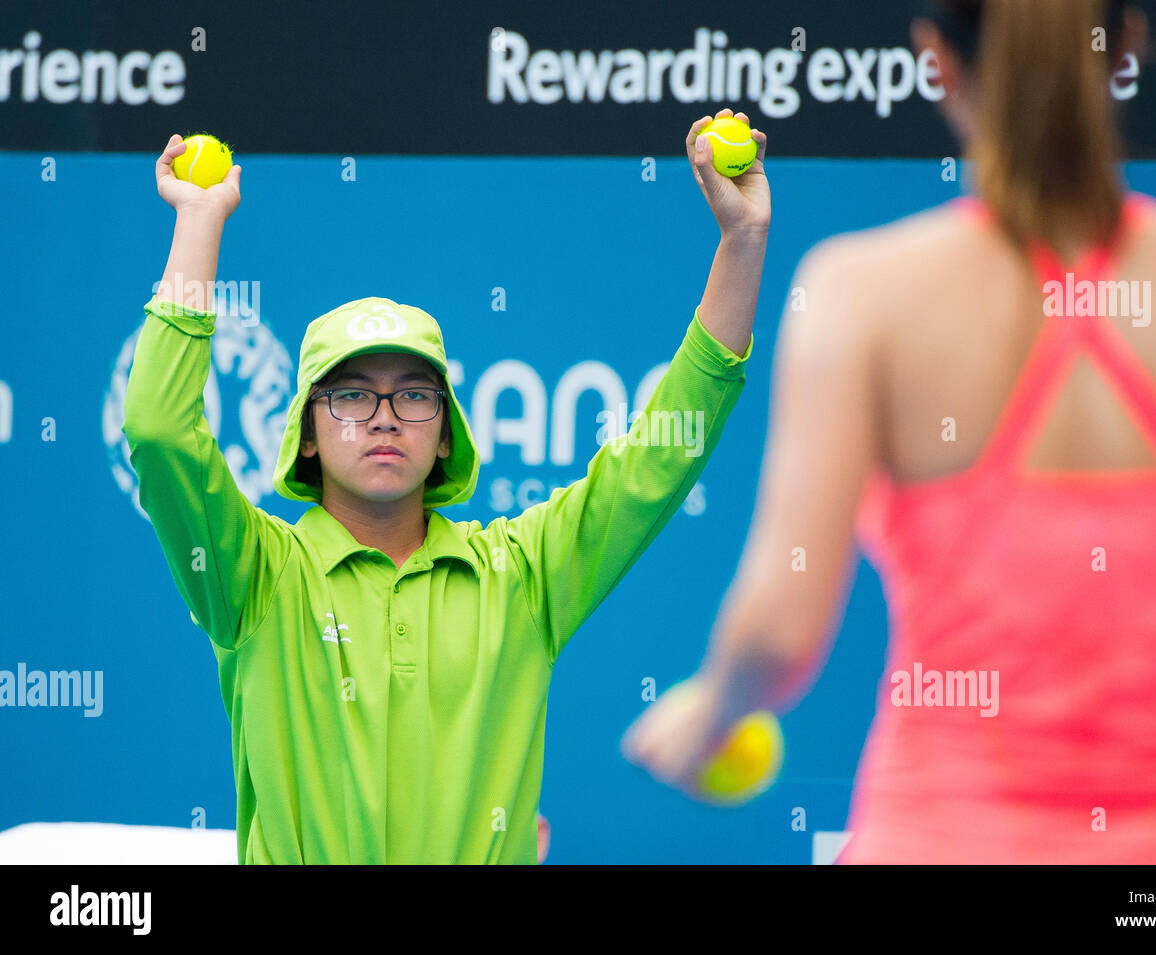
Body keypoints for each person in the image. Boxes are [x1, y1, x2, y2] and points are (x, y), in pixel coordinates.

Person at [621, 0, 1156, 863]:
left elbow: (779, 631)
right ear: (1126, 44)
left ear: (935, 58)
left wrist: (710, 707)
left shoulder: (859, 294)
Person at [123, 110, 770, 864]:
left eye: (414, 395)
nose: (384, 417)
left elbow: (663, 457)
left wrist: (743, 240)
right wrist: (199, 221)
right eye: (352, 395)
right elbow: (160, 431)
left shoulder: (522, 574)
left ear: (446, 433)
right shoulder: (255, 574)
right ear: (306, 428)